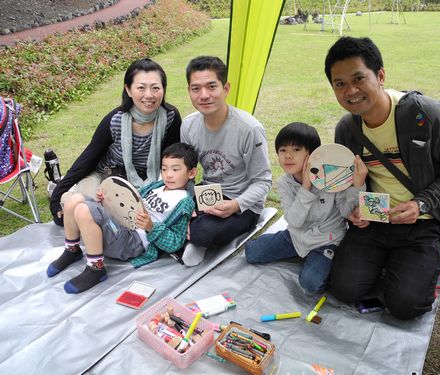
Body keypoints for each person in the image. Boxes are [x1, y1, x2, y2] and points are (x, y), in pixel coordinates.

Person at [324, 36, 440, 319]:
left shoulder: (425, 114)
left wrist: (421, 204)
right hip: (375, 218)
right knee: (344, 289)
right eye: (339, 84)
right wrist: (353, 208)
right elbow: (347, 182)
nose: (350, 91)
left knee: (407, 306)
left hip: (423, 222)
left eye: (359, 78)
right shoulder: (347, 129)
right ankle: (395, 266)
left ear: (380, 75)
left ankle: (424, 258)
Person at [46, 143, 198, 294]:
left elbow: (175, 243)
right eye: (164, 169)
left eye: (175, 169)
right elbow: (130, 199)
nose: (168, 174)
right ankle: (72, 250)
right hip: (120, 224)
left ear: (191, 173)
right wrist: (106, 199)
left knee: (83, 210)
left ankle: (96, 268)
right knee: (73, 199)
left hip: (133, 240)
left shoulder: (184, 203)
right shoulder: (156, 186)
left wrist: (151, 227)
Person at [50, 58, 182, 226]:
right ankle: (68, 194)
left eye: (155, 88)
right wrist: (56, 196)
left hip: (144, 180)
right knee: (87, 216)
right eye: (141, 88)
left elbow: (176, 159)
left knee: (139, 221)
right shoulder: (115, 121)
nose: (149, 95)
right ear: (128, 89)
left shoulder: (170, 117)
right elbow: (87, 159)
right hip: (102, 176)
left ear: (163, 89)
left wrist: (184, 193)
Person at [245, 122, 367, 294]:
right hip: (295, 237)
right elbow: (294, 221)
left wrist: (357, 185)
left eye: (296, 150)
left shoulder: (330, 179)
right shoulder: (284, 183)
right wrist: (306, 188)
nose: (288, 156)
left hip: (326, 241)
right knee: (251, 252)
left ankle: (326, 261)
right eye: (282, 150)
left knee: (310, 283)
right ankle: (301, 253)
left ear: (312, 155)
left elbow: (347, 211)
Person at [180, 56, 272, 266]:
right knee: (163, 209)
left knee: (204, 231)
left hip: (242, 202)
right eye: (196, 88)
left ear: (226, 88)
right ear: (189, 91)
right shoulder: (188, 125)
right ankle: (191, 232)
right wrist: (185, 205)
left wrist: (235, 205)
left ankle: (194, 237)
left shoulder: (249, 129)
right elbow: (187, 172)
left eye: (211, 86)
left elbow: (263, 181)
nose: (204, 95)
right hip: (208, 193)